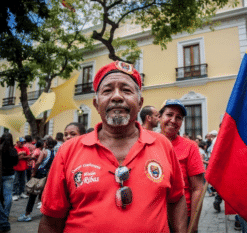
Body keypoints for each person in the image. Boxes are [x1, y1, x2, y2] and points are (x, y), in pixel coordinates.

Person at [38, 61, 187, 233]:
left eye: (126, 90)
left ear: (140, 103)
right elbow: (51, 220)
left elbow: (176, 199)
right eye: (107, 90)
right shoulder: (68, 151)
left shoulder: (162, 145)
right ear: (96, 104)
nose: (117, 96)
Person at [159, 99, 205, 232]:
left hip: (182, 216)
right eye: (169, 115)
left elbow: (197, 188)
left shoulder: (190, 146)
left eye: (179, 117)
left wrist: (194, 225)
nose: (173, 120)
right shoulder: (149, 143)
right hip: (155, 216)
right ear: (159, 117)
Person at [18, 138, 56, 222]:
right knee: (45, 194)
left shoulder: (44, 152)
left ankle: (27, 215)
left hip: (40, 173)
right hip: (48, 174)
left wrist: (33, 172)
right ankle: (46, 213)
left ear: (47, 144)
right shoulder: (55, 153)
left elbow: (38, 162)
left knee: (33, 194)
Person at [13, 137, 33, 201]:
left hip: (23, 168)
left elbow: (29, 156)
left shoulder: (25, 148)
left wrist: (22, 156)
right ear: (17, 142)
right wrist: (21, 156)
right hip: (16, 168)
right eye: (21, 142)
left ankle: (21, 193)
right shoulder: (14, 149)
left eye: (23, 142)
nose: (22, 143)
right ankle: (14, 194)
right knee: (15, 182)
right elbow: (15, 158)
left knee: (23, 181)